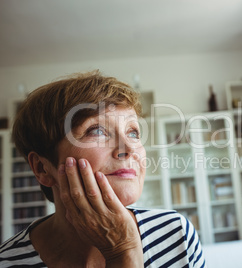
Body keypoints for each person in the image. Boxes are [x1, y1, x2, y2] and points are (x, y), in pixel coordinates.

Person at [0, 71, 205, 267]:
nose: (129, 149)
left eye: (133, 133)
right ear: (42, 168)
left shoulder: (177, 234)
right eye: (97, 131)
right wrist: (122, 253)